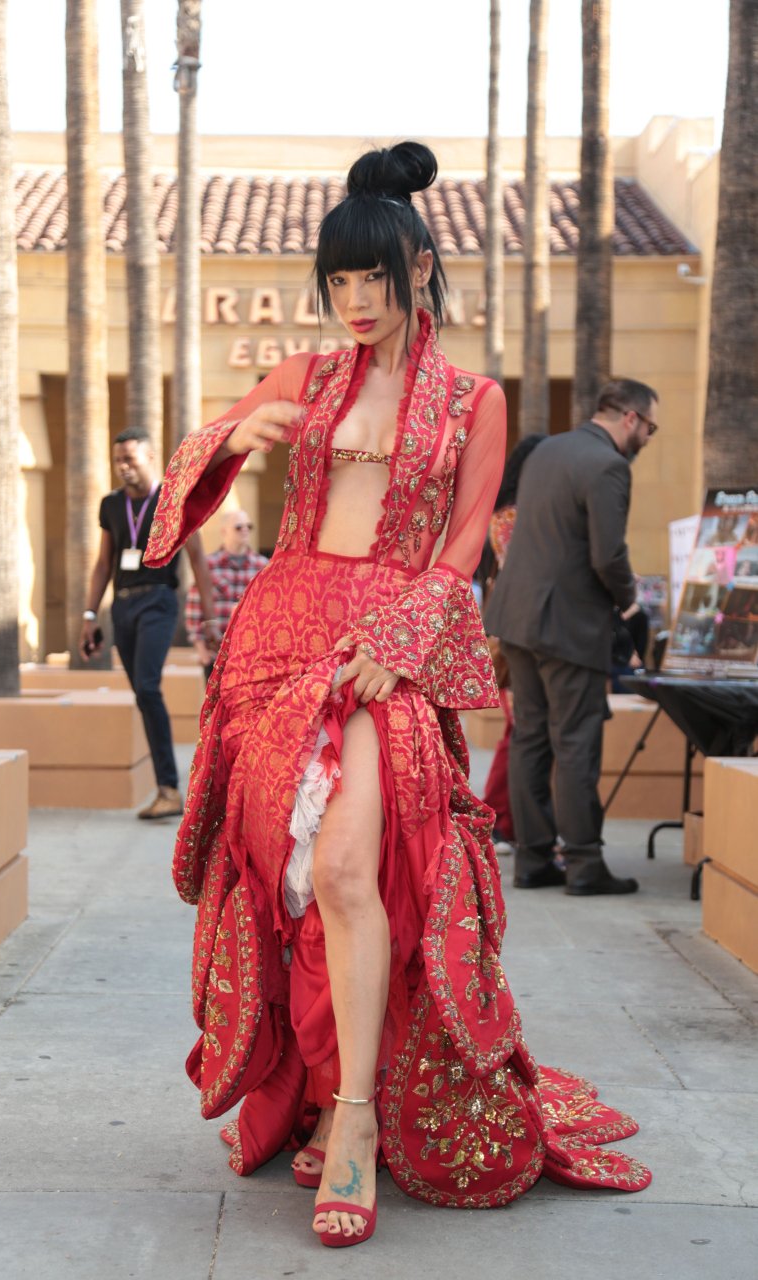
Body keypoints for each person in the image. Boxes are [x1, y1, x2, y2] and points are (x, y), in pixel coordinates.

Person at [145, 143, 650, 1248]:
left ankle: (360, 1118)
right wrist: (231, 436)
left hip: (384, 643)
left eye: (372, 277)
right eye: (338, 281)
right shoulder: (305, 376)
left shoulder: (473, 400)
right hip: (280, 634)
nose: (355, 300)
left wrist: (402, 638)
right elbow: (188, 469)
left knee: (346, 865)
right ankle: (319, 1087)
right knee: (285, 879)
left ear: (418, 268)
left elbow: (463, 544)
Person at [486, 379, 659, 896]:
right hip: (568, 625)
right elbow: (609, 555)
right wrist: (630, 603)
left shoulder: (548, 450)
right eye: (650, 427)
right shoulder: (609, 466)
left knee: (530, 739)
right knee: (576, 742)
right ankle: (584, 865)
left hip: (517, 619)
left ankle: (534, 860)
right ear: (630, 418)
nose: (648, 438)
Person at [79, 427, 217, 820]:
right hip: (122, 605)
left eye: (130, 459)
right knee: (143, 694)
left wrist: (209, 617)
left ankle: (169, 788)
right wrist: (90, 615)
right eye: (118, 460)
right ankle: (166, 788)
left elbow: (198, 559)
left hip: (159, 600)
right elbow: (103, 563)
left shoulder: (173, 500)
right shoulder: (111, 505)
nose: (123, 466)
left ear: (151, 457)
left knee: (147, 686)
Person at [479, 434, 547, 852]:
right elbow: (521, 572)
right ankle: (498, 819)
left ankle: (506, 820)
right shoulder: (511, 517)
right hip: (515, 634)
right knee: (518, 731)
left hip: (515, 631)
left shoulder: (515, 513)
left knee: (519, 730)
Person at [185, 509, 268, 680]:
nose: (245, 530)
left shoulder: (263, 566)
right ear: (224, 531)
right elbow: (194, 606)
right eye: (238, 527)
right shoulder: (208, 565)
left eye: (248, 526)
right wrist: (201, 650)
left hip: (250, 654)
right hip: (215, 653)